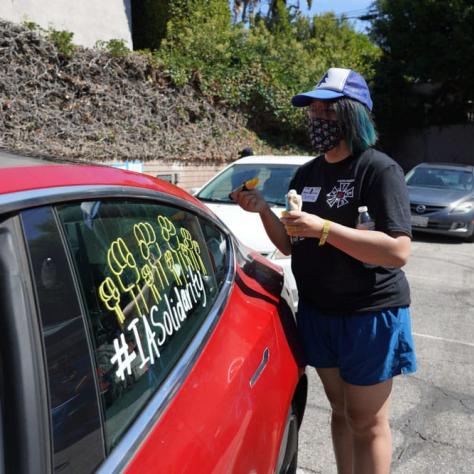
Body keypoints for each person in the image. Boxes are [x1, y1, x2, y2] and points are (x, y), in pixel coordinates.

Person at [231, 67, 416, 474]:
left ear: (353, 115)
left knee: (367, 421)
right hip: (318, 312)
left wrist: (326, 229)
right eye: (313, 112)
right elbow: (289, 243)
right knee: (339, 412)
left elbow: (398, 251)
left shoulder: (378, 170)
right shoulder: (307, 173)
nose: (318, 120)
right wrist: (263, 209)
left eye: (328, 113)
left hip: (369, 313)